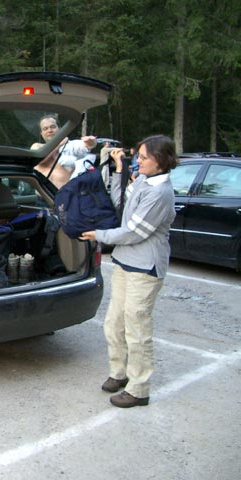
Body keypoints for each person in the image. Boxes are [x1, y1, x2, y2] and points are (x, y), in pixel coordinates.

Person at [79, 135, 178, 408]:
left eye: (144, 157)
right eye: (138, 156)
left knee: (137, 329)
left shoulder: (160, 193)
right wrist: (118, 171)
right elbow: (120, 205)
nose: (139, 161)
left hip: (145, 267)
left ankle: (139, 388)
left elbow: (135, 231)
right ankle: (119, 373)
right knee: (114, 324)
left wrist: (99, 234)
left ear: (161, 160)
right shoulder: (143, 181)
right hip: (125, 262)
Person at [31, 114, 97, 188]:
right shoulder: (37, 146)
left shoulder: (70, 146)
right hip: (42, 197)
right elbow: (40, 159)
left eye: (53, 127)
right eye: (45, 128)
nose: (49, 130)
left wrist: (91, 142)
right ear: (41, 133)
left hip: (64, 196)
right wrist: (59, 144)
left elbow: (85, 145)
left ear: (60, 129)